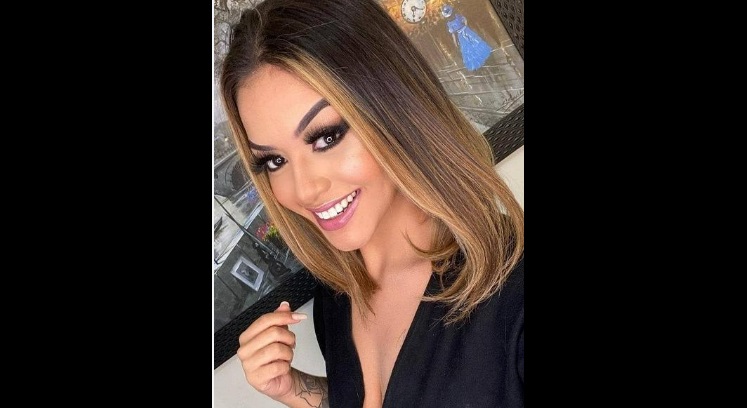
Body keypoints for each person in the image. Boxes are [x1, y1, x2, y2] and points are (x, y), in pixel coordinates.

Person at [219, 0, 524, 406]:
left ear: (395, 108)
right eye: (274, 161)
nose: (304, 190)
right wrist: (295, 389)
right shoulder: (338, 300)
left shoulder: (512, 291)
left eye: (326, 137)